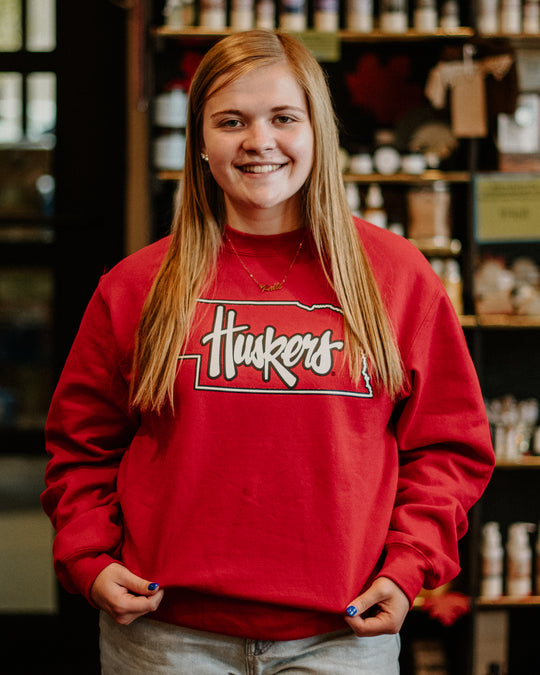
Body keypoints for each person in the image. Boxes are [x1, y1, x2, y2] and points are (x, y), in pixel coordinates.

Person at [42, 30, 495, 674]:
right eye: (231, 121)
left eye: (284, 117)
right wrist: (89, 557)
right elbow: (81, 443)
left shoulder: (396, 276)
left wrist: (409, 564)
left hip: (343, 635)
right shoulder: (138, 285)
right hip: (165, 634)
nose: (260, 142)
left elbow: (449, 446)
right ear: (200, 139)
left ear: (318, 130)